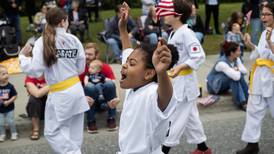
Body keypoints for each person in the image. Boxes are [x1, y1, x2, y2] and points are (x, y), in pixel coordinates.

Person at [19, 7, 89, 154]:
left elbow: (35, 70)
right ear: (63, 21)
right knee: (74, 132)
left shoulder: (42, 42)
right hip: (76, 89)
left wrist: (23, 58)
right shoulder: (74, 39)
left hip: (60, 93)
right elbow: (81, 68)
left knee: (52, 132)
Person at [118, 3, 179, 153]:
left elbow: (166, 97)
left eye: (131, 63)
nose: (125, 65)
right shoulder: (134, 85)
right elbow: (127, 50)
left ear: (148, 74)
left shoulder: (151, 93)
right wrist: (122, 29)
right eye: (126, 62)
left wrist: (162, 72)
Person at [156, 0, 212, 153]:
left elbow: (198, 56)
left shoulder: (187, 33)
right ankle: (203, 149)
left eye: (167, 12)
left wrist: (181, 66)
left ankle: (164, 149)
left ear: (177, 15)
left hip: (185, 84)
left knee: (176, 118)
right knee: (191, 118)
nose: (164, 15)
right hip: (177, 80)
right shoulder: (174, 33)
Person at [236, 3, 274, 154]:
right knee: (253, 110)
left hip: (272, 77)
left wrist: (270, 41)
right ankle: (252, 144)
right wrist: (250, 44)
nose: (263, 17)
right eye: (262, 14)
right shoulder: (266, 32)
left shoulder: (270, 34)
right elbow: (261, 53)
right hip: (259, 77)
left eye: (267, 14)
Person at [79, 42, 119, 133]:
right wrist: (82, 97)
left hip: (104, 101)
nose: (86, 57)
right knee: (89, 86)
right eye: (85, 54)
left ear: (97, 55)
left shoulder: (104, 67)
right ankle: (91, 121)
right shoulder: (81, 68)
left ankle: (111, 118)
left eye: (90, 54)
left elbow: (114, 84)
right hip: (88, 101)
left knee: (109, 84)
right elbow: (75, 86)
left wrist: (118, 98)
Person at [207, 41, 248, 111]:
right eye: (238, 51)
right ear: (232, 53)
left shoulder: (236, 59)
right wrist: (238, 70)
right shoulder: (221, 63)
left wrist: (237, 69)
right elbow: (237, 77)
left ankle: (247, 99)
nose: (240, 52)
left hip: (224, 84)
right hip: (214, 87)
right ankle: (241, 102)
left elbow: (245, 71)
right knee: (234, 77)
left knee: (237, 76)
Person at [25, 75, 49, 140]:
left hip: (50, 108)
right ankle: (36, 129)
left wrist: (42, 89)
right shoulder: (30, 77)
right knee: (33, 99)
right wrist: (51, 86)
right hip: (37, 110)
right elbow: (37, 94)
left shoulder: (52, 73)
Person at [0, 65, 18, 142]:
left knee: (11, 121)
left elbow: (15, 95)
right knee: (0, 123)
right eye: (3, 74)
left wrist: (9, 101)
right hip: (0, 109)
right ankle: (2, 134)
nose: (6, 75)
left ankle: (14, 133)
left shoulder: (10, 86)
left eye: (7, 73)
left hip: (9, 108)